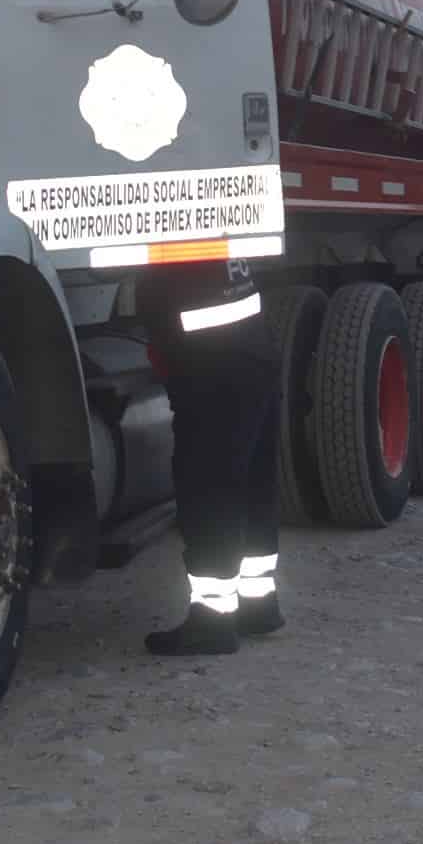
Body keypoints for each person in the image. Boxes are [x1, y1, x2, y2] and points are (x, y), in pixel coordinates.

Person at [136, 257, 284, 655]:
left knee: (209, 489)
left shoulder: (174, 219)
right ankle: (258, 605)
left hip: (212, 365)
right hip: (249, 352)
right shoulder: (215, 215)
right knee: (250, 484)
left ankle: (211, 622)